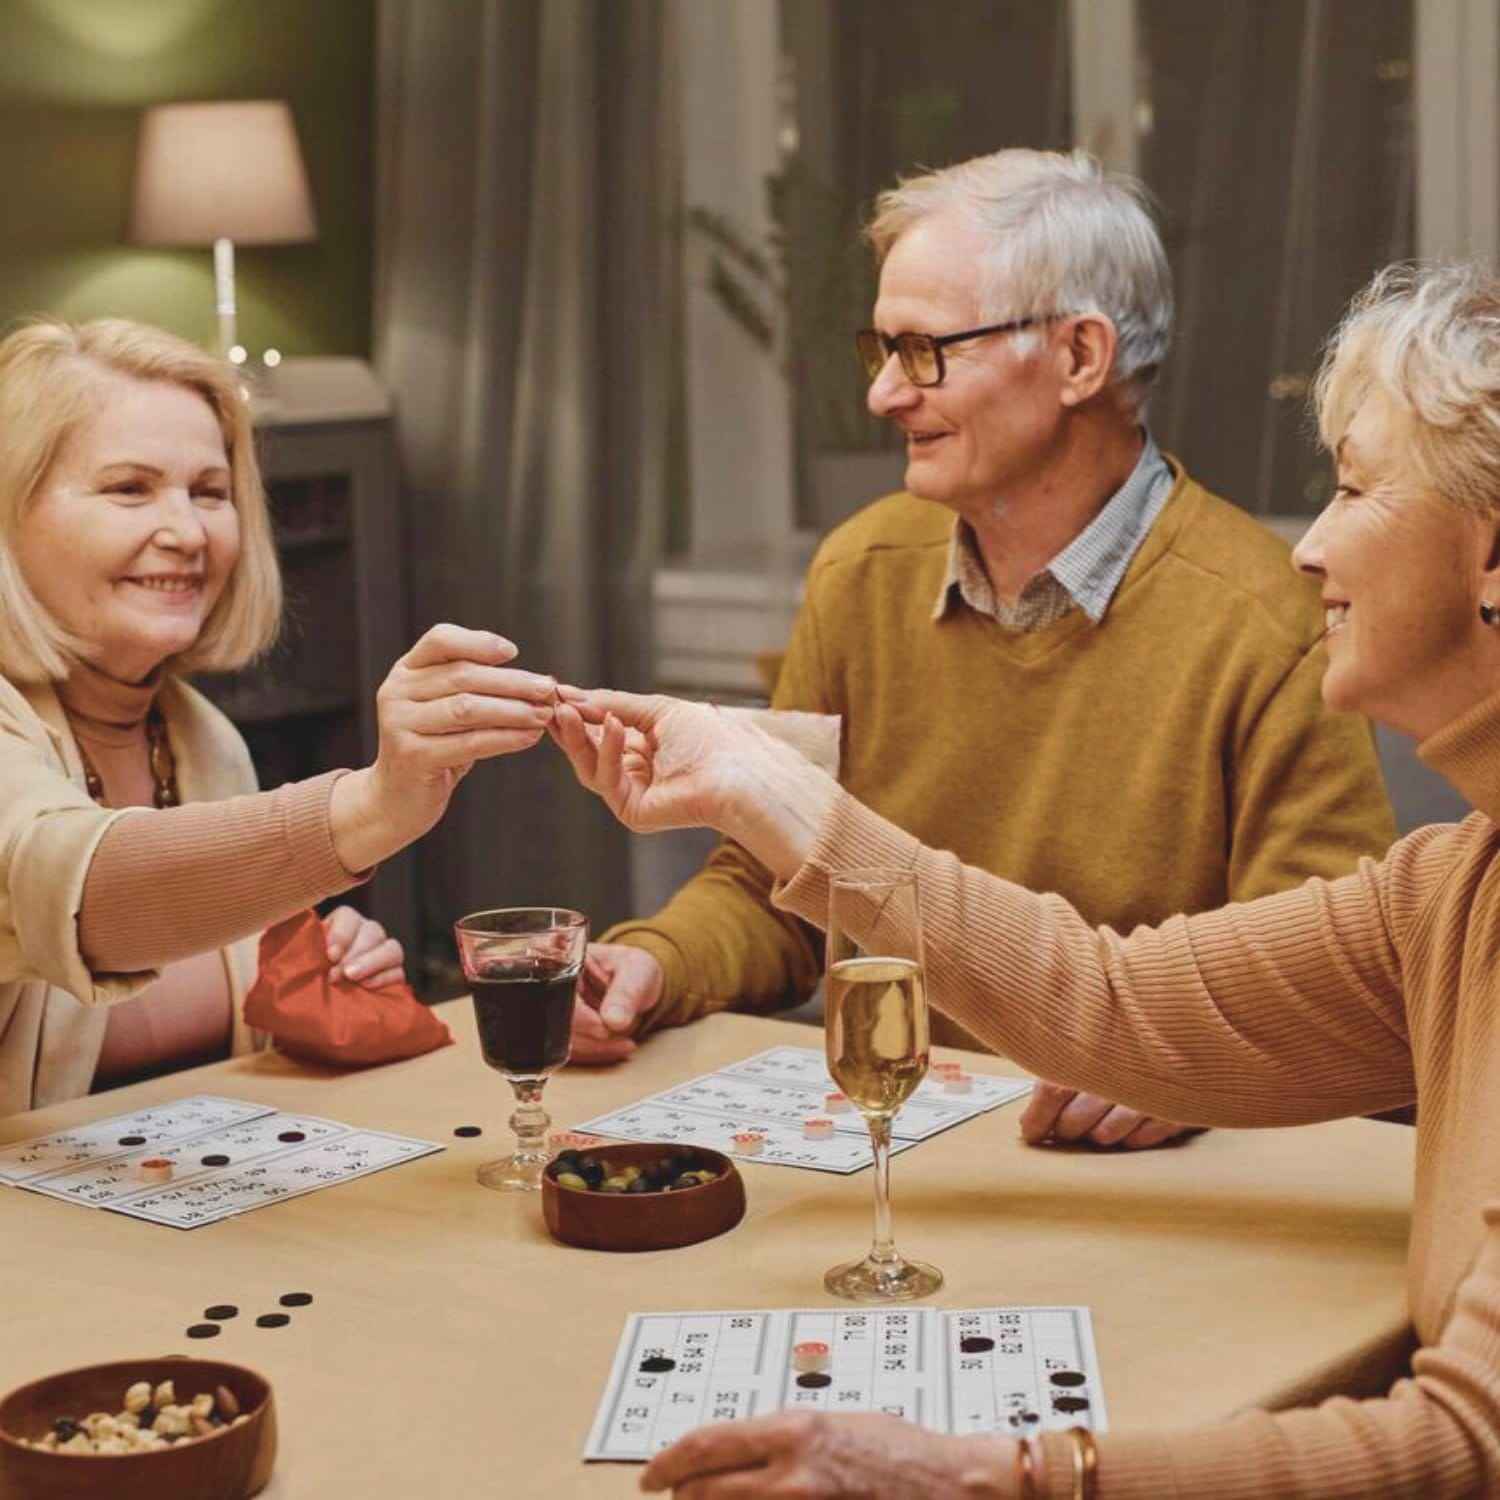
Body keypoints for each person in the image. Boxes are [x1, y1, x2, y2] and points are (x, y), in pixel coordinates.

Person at [554, 260, 1500, 1497]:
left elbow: (1460, 1454)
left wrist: (989, 1475)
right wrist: (772, 799)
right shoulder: (1457, 885)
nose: (1311, 546)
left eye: (1354, 489)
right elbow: (1109, 999)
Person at [571, 147, 1395, 1152]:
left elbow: (1328, 988)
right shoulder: (859, 570)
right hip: (895, 1154)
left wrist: (1197, 1069)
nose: (884, 396)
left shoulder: (1268, 619)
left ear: (1081, 360)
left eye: (924, 351)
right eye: (880, 351)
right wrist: (655, 962)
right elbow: (774, 889)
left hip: (1139, 1188)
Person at [0, 317, 555, 1116]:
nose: (188, 533)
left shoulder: (199, 737)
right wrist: (369, 808)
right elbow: (82, 886)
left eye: (210, 493)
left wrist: (304, 988)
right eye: (129, 488)